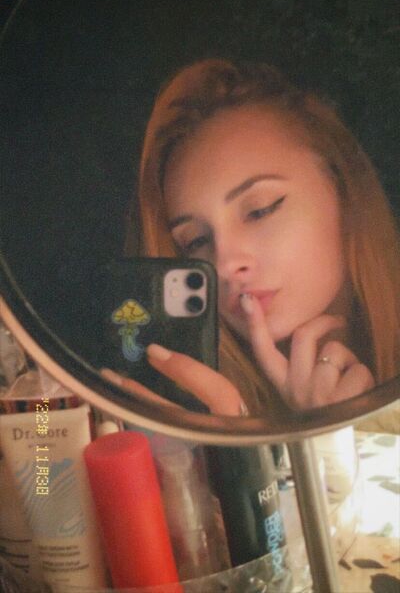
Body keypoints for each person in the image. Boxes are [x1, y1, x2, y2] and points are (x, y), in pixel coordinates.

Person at [104, 59, 400, 432]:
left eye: (260, 210)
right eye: (196, 241)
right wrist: (242, 446)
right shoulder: (204, 410)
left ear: (343, 189)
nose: (224, 263)